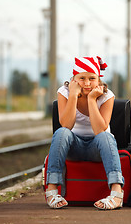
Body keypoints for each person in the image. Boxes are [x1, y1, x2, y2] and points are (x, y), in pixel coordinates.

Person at [45, 56, 124, 210]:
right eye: (82, 78)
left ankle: (116, 194)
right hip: (74, 147)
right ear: (74, 79)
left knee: (105, 136)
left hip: (98, 148)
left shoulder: (107, 96)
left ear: (99, 80)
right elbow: (66, 124)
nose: (87, 83)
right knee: (61, 132)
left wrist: (92, 100)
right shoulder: (65, 92)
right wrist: (73, 95)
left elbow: (99, 130)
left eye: (92, 78)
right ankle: (52, 190)